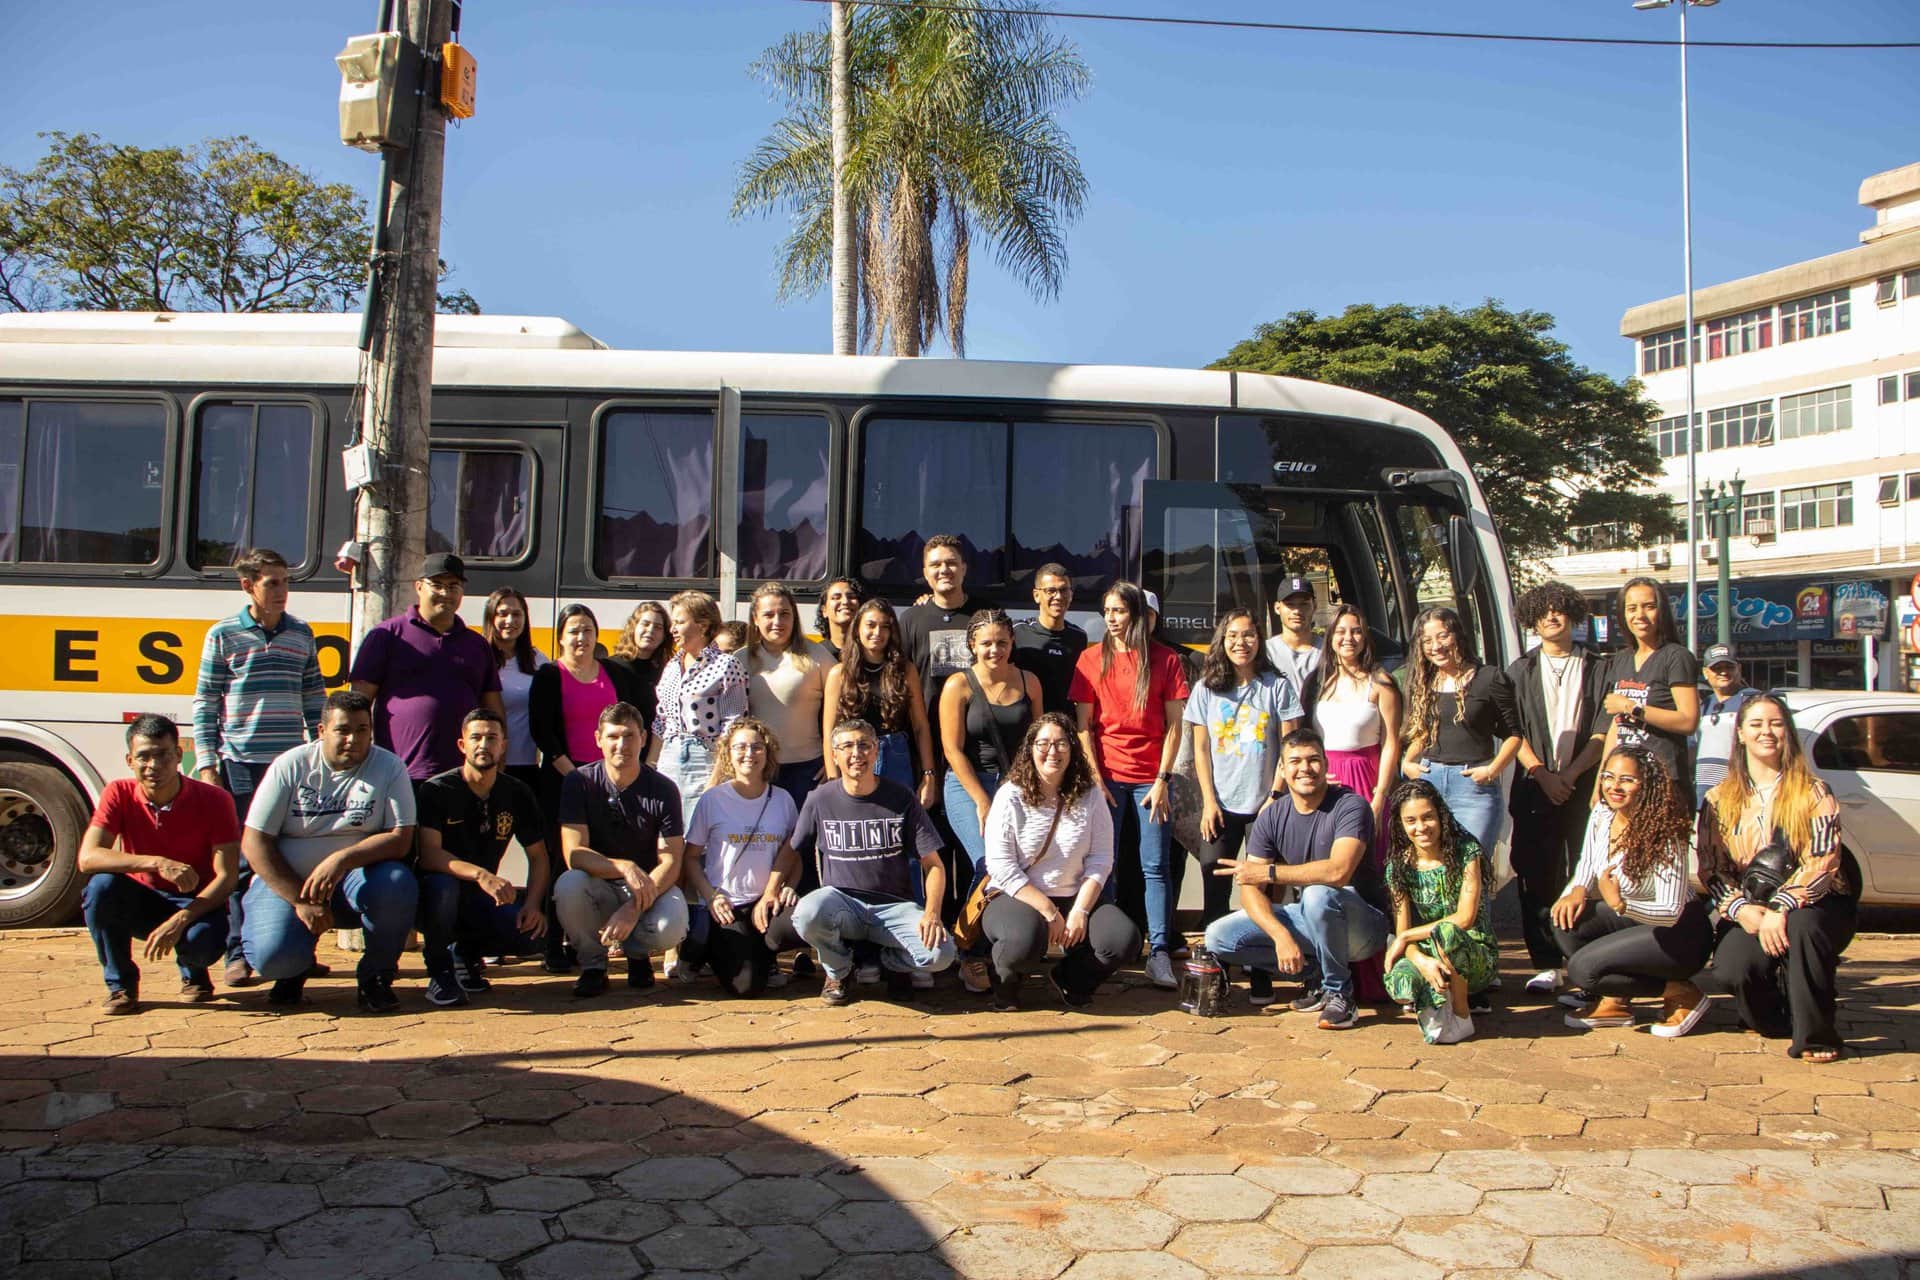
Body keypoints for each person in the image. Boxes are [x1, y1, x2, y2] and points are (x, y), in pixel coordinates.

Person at [191, 547, 324, 988]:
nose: (282, 591)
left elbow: (314, 699)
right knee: (243, 860)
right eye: (272, 583)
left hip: (290, 767)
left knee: (295, 854)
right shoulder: (223, 635)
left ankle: (300, 948)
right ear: (247, 585)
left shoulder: (301, 635)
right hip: (241, 764)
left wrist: (321, 752)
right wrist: (208, 766)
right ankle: (237, 952)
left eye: (285, 582)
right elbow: (206, 703)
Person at [239, 690, 418, 1011]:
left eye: (362, 730)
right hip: (290, 882)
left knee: (397, 882)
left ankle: (376, 976)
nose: (353, 739)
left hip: (354, 883)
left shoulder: (389, 767)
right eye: (343, 730)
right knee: (273, 959)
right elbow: (254, 842)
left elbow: (400, 837)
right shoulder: (290, 765)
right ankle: (292, 971)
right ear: (321, 731)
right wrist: (299, 900)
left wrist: (342, 859)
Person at [1700, 694, 1854, 1062]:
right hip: (1751, 905)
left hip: (1816, 902)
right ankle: (1775, 1019)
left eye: (1775, 723)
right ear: (1740, 734)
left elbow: (1823, 860)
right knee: (1734, 967)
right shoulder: (1719, 798)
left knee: (1802, 927)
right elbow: (1711, 867)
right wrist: (1741, 910)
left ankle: (1816, 1036)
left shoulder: (1813, 791)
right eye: (1756, 724)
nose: (1766, 732)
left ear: (1788, 732)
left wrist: (1782, 907)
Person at [1203, 728, 1390, 1030]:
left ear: (1327, 765)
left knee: (1318, 893)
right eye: (1295, 761)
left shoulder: (1350, 806)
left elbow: (1338, 872)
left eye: (1314, 760)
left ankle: (1340, 994)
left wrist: (1270, 872)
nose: (1305, 768)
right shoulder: (1273, 816)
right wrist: (1280, 936)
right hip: (1311, 917)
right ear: (1282, 770)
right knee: (1218, 936)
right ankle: (1314, 974)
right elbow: (1251, 888)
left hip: (1364, 926)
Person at [78, 714, 241, 1014]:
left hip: (197, 902)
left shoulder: (215, 800)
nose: (153, 766)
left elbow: (228, 876)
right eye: (143, 757)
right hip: (145, 900)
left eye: (162, 755)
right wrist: (156, 863)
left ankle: (194, 974)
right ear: (130, 760)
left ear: (179, 755)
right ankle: (120, 986)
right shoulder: (118, 793)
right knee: (100, 887)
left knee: (203, 944)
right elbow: (88, 858)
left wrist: (179, 921)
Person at [1072, 582, 1191, 989]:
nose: (1111, 618)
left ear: (1138, 615)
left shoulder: (1166, 659)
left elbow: (1175, 725)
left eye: (1119, 611)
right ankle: (1100, 950)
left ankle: (1159, 952)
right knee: (1101, 866)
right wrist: (1094, 780)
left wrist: (1162, 780)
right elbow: (1084, 727)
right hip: (1106, 779)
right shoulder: (1090, 659)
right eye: (1106, 610)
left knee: (1155, 866)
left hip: (1150, 781)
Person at [979, 714, 1141, 1010]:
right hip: (1018, 896)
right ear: (1030, 749)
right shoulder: (1010, 796)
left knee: (1123, 939)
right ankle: (1005, 982)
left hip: (1073, 894)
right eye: (1043, 743)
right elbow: (1000, 865)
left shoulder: (1091, 795)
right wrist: (1048, 910)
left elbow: (1102, 858)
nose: (1052, 752)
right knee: (1025, 940)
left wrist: (1080, 909)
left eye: (1061, 743)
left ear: (1073, 749)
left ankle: (1072, 979)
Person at [791, 718, 957, 1005]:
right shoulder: (820, 799)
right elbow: (793, 849)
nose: (856, 754)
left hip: (894, 906)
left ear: (876, 750)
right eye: (847, 747)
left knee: (940, 954)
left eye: (864, 745)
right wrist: (774, 887)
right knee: (806, 913)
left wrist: (931, 913)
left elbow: (934, 866)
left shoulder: (900, 796)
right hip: (842, 904)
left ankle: (892, 963)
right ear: (834, 755)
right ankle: (839, 970)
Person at [1552, 746, 1712, 1037]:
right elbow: (1587, 861)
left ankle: (1681, 992)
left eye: (1627, 779)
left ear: (1646, 785)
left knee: (1583, 970)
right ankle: (1617, 1000)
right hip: (1635, 921)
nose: (1614, 786)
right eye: (1608, 777)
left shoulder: (1664, 833)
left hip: (1680, 933)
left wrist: (1619, 904)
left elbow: (1671, 912)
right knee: (1566, 923)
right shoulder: (1603, 813)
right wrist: (1576, 890)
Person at [1505, 582, 1607, 993]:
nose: (1552, 616)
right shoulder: (1519, 671)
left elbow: (1604, 727)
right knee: (1537, 874)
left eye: (1560, 609)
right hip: (1535, 787)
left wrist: (1573, 774)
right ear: (1532, 619)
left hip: (1586, 788)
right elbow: (1513, 731)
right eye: (1543, 611)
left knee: (1589, 874)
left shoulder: (1599, 667)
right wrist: (1543, 775)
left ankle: (1587, 960)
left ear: (1572, 615)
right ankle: (1545, 962)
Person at [415, 709, 551, 1007]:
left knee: (531, 935)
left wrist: (532, 905)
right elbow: (429, 855)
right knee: (442, 888)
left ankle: (466, 954)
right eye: (476, 737)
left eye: (492, 738)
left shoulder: (516, 792)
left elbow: (538, 856)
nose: (483, 745)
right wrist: (481, 874)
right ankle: (440, 972)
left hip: (482, 896)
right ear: (462, 745)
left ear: (504, 745)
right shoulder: (437, 790)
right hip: (437, 893)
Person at [554, 702, 690, 996]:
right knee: (569, 885)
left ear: (643, 738)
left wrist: (632, 907)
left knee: (673, 923)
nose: (622, 745)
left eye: (629, 736)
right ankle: (593, 965)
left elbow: (671, 859)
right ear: (598, 739)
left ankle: (638, 954)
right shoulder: (579, 782)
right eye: (613, 736)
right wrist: (623, 866)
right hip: (599, 886)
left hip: (647, 889)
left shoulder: (664, 789)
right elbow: (574, 854)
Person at [940, 609, 1042, 991]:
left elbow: (1037, 742)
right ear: (972, 645)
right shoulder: (958, 685)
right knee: (988, 863)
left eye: (1001, 642)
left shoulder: (1029, 681)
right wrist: (982, 800)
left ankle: (998, 944)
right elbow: (952, 749)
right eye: (986, 643)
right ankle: (968, 951)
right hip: (968, 786)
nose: (994, 650)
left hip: (1015, 788)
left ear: (1012, 643)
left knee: (1017, 865)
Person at [1184, 610, 1301, 929]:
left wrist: (1276, 796)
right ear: (1222, 641)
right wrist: (1208, 801)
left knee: (1263, 891)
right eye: (1233, 636)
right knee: (1215, 886)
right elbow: (1201, 749)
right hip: (1220, 806)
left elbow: (1291, 747)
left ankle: (1261, 969)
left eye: (1248, 635)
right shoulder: (1206, 689)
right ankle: (1217, 967)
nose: (1241, 643)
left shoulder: (1277, 686)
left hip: (1266, 804)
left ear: (1259, 641)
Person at [348, 551, 505, 784]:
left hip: (463, 777)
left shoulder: (477, 645)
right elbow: (358, 703)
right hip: (398, 774)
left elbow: (492, 708)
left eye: (454, 586)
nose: (446, 593)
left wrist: (498, 760)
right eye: (437, 585)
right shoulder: (387, 636)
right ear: (419, 586)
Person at [677, 717, 804, 996]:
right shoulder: (712, 800)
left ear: (768, 753)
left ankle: (764, 955)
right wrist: (711, 896)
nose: (750, 754)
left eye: (757, 747)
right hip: (727, 904)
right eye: (741, 747)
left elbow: (793, 856)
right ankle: (705, 948)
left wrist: (789, 887)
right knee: (745, 987)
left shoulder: (782, 800)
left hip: (767, 902)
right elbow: (690, 857)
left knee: (809, 919)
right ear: (728, 754)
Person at [1401, 605, 1520, 864]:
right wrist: (1408, 762)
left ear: (1457, 636)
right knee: (1435, 868)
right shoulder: (1425, 681)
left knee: (1472, 870)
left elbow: (1514, 736)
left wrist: (1492, 770)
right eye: (1427, 640)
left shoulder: (1489, 678)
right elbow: (1424, 733)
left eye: (1443, 636)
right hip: (1430, 782)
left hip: (1473, 787)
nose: (1436, 646)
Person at [1379, 780, 1496, 1045]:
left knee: (1446, 932)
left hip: (1472, 951)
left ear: (1441, 816)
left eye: (1427, 817)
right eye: (1411, 820)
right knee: (1400, 981)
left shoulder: (1467, 852)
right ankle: (1437, 1001)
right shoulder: (1398, 867)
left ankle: (1462, 1016)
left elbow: (1465, 919)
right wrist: (1421, 959)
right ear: (1400, 824)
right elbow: (1402, 934)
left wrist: (1407, 937)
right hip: (1430, 951)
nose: (1420, 828)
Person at [823, 600, 937, 807]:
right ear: (857, 629)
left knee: (897, 828)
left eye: (885, 626)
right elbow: (829, 732)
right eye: (871, 625)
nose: (878, 632)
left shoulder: (906, 670)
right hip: (853, 756)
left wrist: (928, 774)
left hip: (897, 755)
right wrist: (833, 778)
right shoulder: (839, 674)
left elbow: (920, 726)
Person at [1594, 576, 1701, 797]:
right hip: (1622, 787)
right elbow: (1616, 726)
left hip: (1663, 783)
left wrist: (1632, 707)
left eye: (1649, 607)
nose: (1639, 615)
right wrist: (1601, 781)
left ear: (1662, 611)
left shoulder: (1676, 656)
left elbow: (1688, 720)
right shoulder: (1622, 659)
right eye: (1631, 608)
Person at [651, 590, 748, 808]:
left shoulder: (727, 665)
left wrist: (715, 779)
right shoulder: (672, 666)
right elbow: (661, 721)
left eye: (679, 622)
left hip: (704, 759)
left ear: (702, 626)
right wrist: (651, 765)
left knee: (700, 832)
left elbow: (732, 727)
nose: (672, 629)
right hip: (668, 755)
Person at [1312, 605, 1402, 836]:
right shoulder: (1320, 682)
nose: (1348, 638)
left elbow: (1391, 742)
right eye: (1340, 631)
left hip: (1366, 777)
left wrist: (1381, 793)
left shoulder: (1381, 683)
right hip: (1326, 780)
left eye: (1356, 631)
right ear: (1330, 636)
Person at [743, 581, 835, 808]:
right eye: (768, 615)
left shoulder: (818, 656)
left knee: (800, 841)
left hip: (807, 770)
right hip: (757, 768)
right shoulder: (739, 660)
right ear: (755, 618)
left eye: (784, 614)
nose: (777, 622)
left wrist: (833, 758)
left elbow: (843, 707)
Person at [898, 534, 984, 729]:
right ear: (925, 573)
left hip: (978, 735)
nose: (944, 570)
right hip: (928, 735)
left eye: (951, 563)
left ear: (963, 568)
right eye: (935, 565)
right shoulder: (910, 619)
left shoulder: (986, 615)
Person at [483, 585, 549, 796]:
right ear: (491, 617)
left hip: (527, 763)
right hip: (487, 762)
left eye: (517, 614)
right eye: (503, 613)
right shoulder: (480, 657)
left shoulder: (538, 660)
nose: (510, 621)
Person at [1012, 563, 1088, 716]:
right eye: (1050, 591)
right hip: (1028, 726)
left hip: (1063, 728)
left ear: (1071, 594)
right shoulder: (1017, 632)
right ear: (1036, 595)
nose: (1058, 597)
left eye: (1063, 590)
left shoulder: (1079, 637)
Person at [1694, 644, 1760, 807]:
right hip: (1704, 795)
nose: (1723, 672)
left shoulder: (1753, 701)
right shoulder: (1704, 705)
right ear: (1705, 673)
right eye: (1717, 668)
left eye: (1728, 667)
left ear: (1739, 669)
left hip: (1740, 792)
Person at [607, 600, 670, 725]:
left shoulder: (667, 672)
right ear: (633, 627)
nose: (650, 630)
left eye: (658, 627)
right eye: (645, 624)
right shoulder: (611, 667)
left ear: (664, 635)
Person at [1265, 575, 1322, 702]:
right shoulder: (1265, 652)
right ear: (1277, 608)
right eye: (1290, 605)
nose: (1297, 611)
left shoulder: (1329, 651)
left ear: (1315, 606)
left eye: (1304, 604)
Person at [815, 577, 862, 660]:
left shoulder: (870, 654)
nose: (845, 601)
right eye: (836, 597)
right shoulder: (816, 655)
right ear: (824, 610)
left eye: (851, 597)